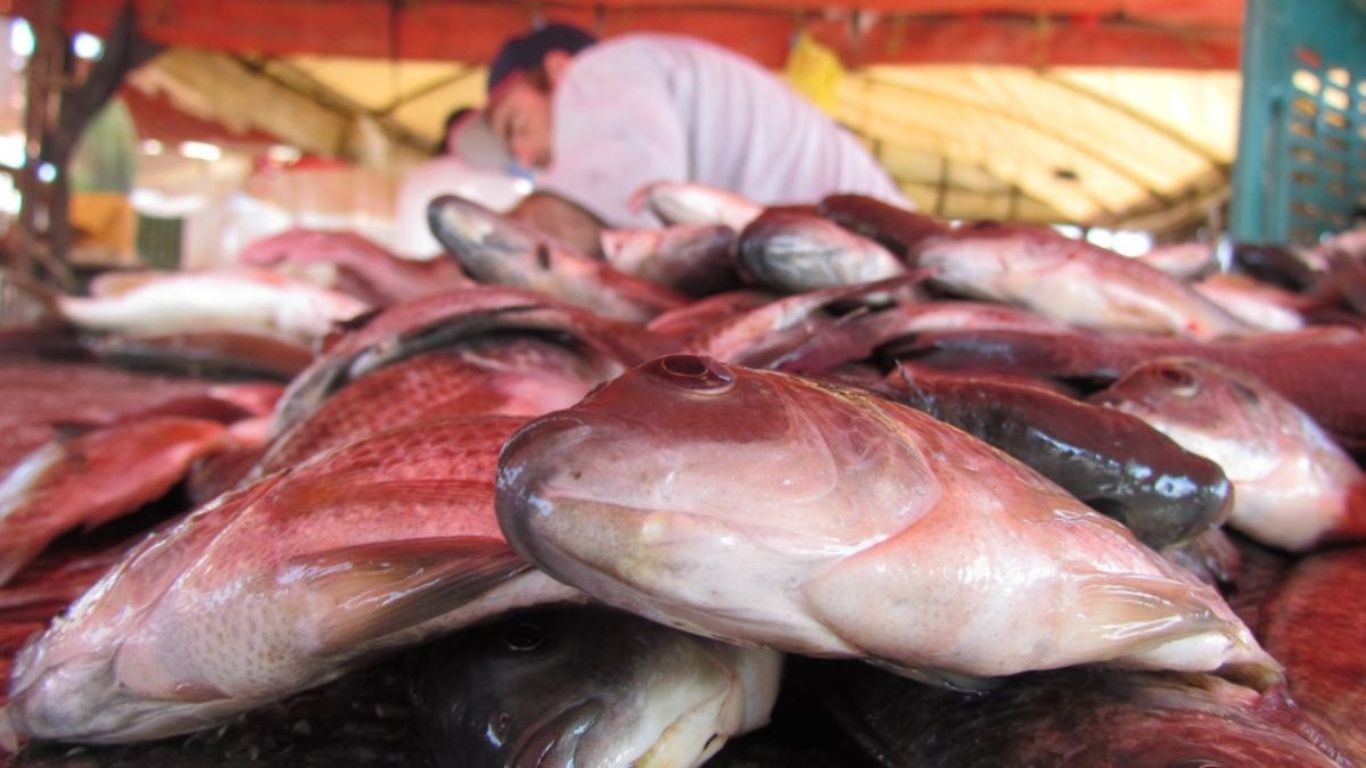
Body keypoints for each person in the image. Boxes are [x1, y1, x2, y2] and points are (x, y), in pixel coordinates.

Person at [455, 24, 908, 256]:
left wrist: (445, 276)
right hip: (871, 268)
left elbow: (584, 224)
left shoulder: (598, 70)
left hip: (888, 270)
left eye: (516, 125)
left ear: (555, 70)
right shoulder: (663, 79)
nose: (523, 154)